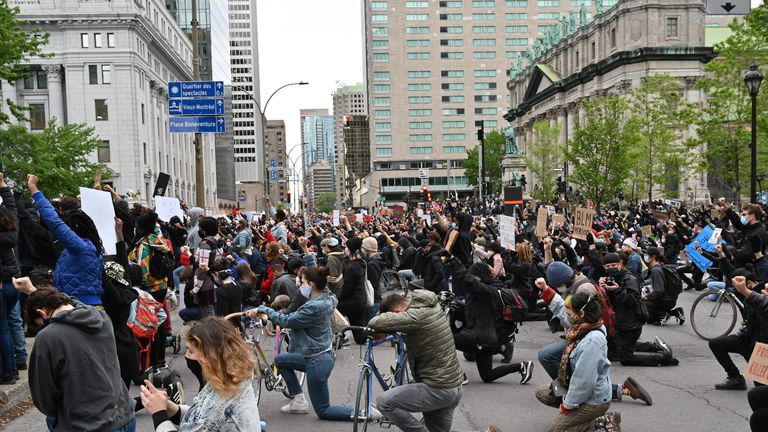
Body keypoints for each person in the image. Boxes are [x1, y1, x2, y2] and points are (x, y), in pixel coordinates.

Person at [12, 277, 135, 432]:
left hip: (88, 424)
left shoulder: (48, 337)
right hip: (124, 416)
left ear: (42, 314)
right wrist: (34, 292)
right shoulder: (100, 318)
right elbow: (69, 304)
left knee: (54, 419)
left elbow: (45, 398)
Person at [246, 267, 355, 421]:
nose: (299, 285)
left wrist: (263, 309)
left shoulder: (313, 307)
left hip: (317, 361)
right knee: (280, 360)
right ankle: (299, 401)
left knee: (324, 410)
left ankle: (363, 413)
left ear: (311, 284)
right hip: (320, 354)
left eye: (302, 282)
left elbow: (286, 321)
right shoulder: (327, 296)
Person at [367, 290, 465, 432]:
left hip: (438, 388)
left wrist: (387, 320)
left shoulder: (414, 317)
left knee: (384, 403)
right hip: (454, 386)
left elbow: (374, 322)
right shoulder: (430, 306)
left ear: (397, 312)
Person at [141, 317, 261, 431]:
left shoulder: (215, 408)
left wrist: (159, 414)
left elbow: (206, 419)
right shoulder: (230, 379)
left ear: (210, 358)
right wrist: (171, 408)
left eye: (191, 351)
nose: (186, 355)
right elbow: (198, 419)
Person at [534, 288, 620, 432]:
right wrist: (546, 291)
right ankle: (585, 418)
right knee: (542, 393)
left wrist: (567, 405)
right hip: (583, 391)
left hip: (594, 400)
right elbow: (564, 310)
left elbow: (583, 382)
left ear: (581, 314)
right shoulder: (582, 326)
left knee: (558, 430)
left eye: (570, 314)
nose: (566, 317)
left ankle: (602, 421)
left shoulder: (592, 341)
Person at [449, 255, 533, 384]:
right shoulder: (489, 289)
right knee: (487, 376)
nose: (473, 279)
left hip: (481, 337)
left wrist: (453, 258)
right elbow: (477, 311)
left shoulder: (487, 290)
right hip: (489, 338)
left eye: (474, 276)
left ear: (480, 276)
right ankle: (522, 366)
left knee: (446, 340)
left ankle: (456, 375)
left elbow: (466, 279)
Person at [28, 174, 105, 306]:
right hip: (82, 302)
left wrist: (33, 188)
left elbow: (55, 222)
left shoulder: (80, 247)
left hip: (79, 304)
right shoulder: (90, 246)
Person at [600, 253, 677, 367]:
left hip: (631, 322)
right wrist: (603, 288)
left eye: (614, 265)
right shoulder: (611, 279)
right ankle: (655, 346)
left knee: (626, 359)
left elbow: (631, 301)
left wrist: (616, 290)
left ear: (620, 264)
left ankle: (662, 358)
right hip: (619, 321)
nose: (611, 268)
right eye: (608, 267)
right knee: (616, 350)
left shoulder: (630, 279)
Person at [709, 269, 768, 390]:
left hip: (757, 346)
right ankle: (735, 377)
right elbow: (731, 267)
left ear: (750, 283)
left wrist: (745, 292)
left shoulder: (760, 296)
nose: (737, 289)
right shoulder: (749, 295)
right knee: (715, 344)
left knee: (760, 390)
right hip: (744, 339)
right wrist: (721, 255)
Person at [0, 173, 22, 384]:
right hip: (13, 284)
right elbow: (12, 209)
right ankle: (13, 368)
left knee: (3, 328)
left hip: (3, 284)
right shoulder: (10, 231)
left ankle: (7, 372)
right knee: (6, 325)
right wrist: (3, 187)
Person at [338, 237, 368, 344]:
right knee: (359, 337)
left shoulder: (351, 267)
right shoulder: (362, 262)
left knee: (333, 311)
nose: (344, 249)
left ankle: (341, 336)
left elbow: (347, 288)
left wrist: (338, 299)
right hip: (360, 300)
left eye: (346, 247)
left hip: (352, 302)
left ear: (350, 249)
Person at [643, 248, 684, 325]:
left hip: (665, 300)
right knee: (650, 319)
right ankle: (675, 312)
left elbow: (659, 291)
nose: (645, 256)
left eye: (647, 254)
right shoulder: (661, 266)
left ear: (653, 257)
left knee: (643, 303)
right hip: (670, 299)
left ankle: (663, 315)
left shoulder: (656, 270)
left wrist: (646, 297)